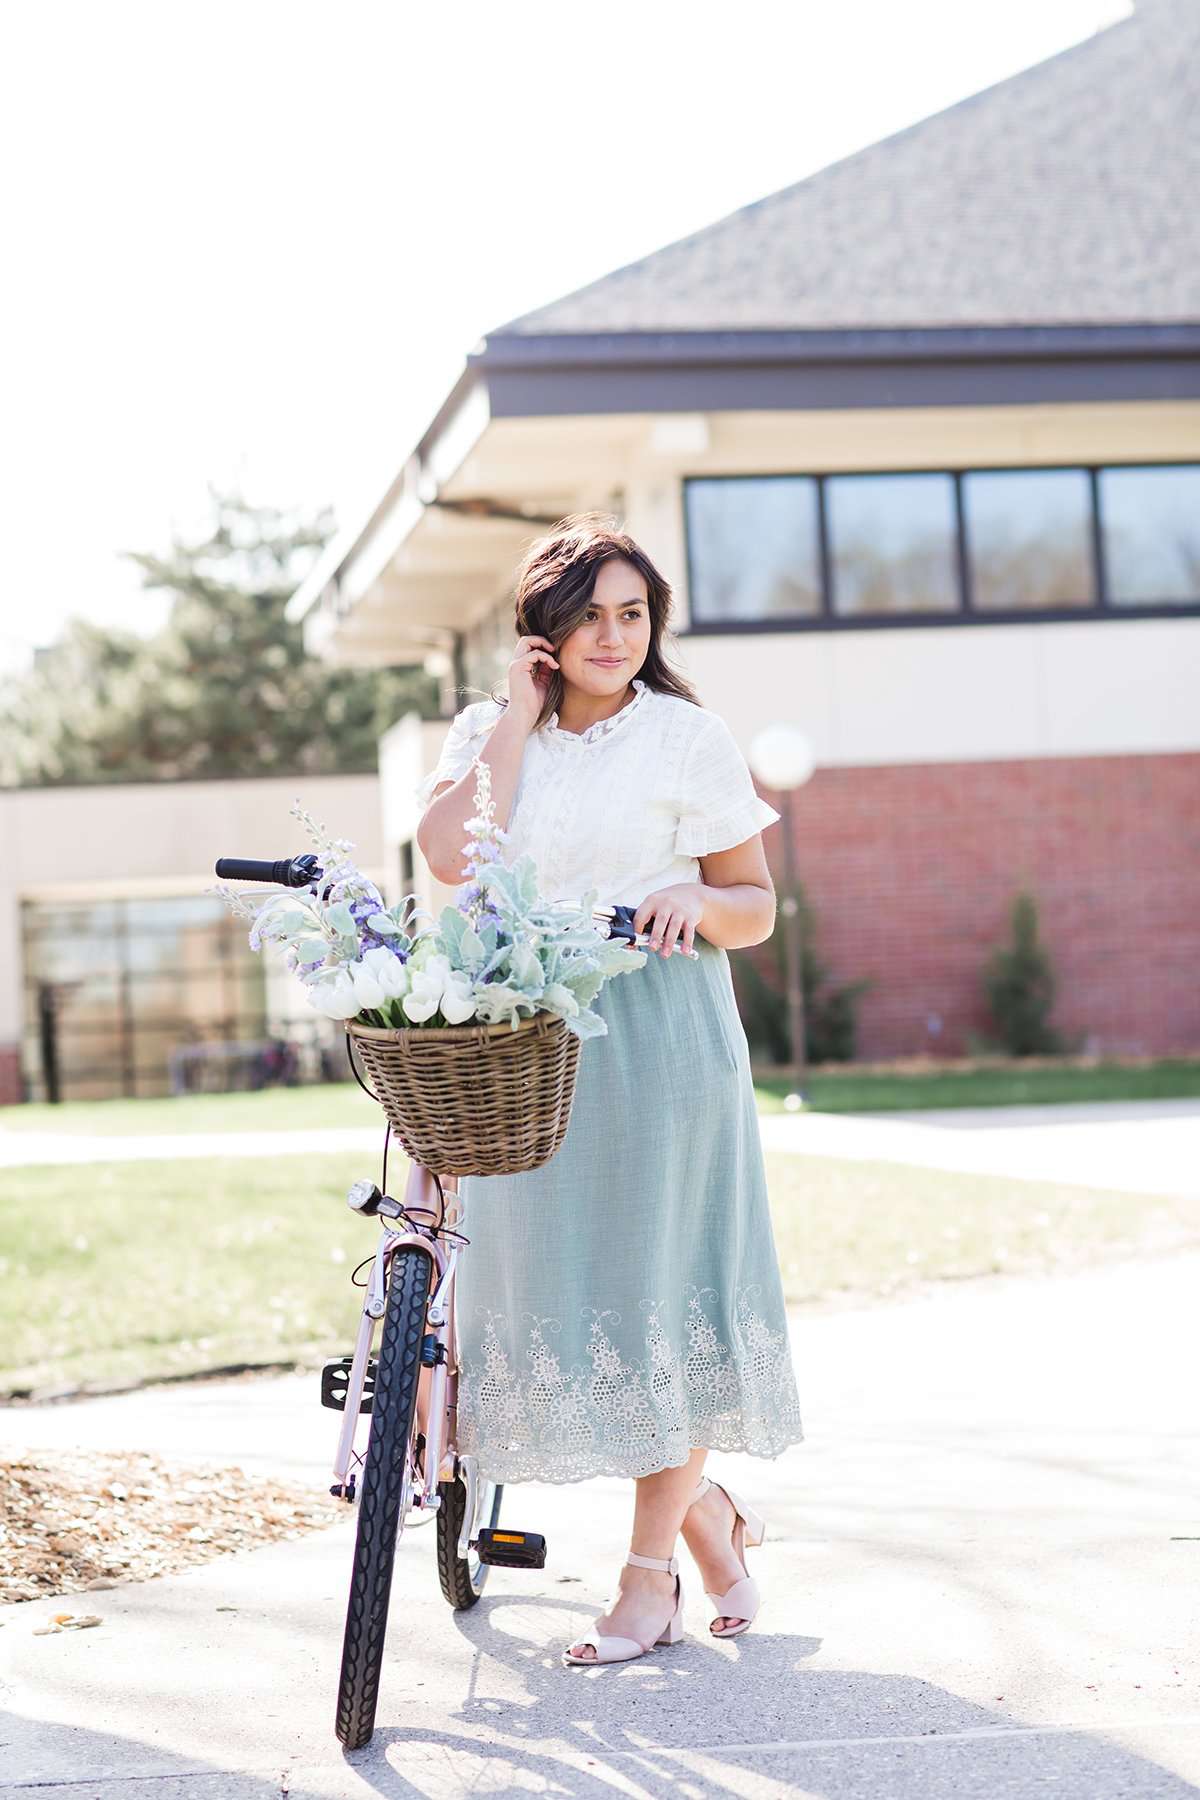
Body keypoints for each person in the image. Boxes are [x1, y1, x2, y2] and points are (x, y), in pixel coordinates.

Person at [414, 512, 803, 1666]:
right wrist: (517, 725)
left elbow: (755, 904)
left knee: (662, 1295)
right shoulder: (493, 729)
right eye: (590, 612)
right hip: (520, 1042)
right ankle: (713, 1519)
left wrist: (696, 907)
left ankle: (648, 1581)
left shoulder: (688, 737)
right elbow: (443, 854)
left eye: (633, 613)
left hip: (662, 1034)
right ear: (545, 624)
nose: (614, 634)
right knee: (562, 1306)